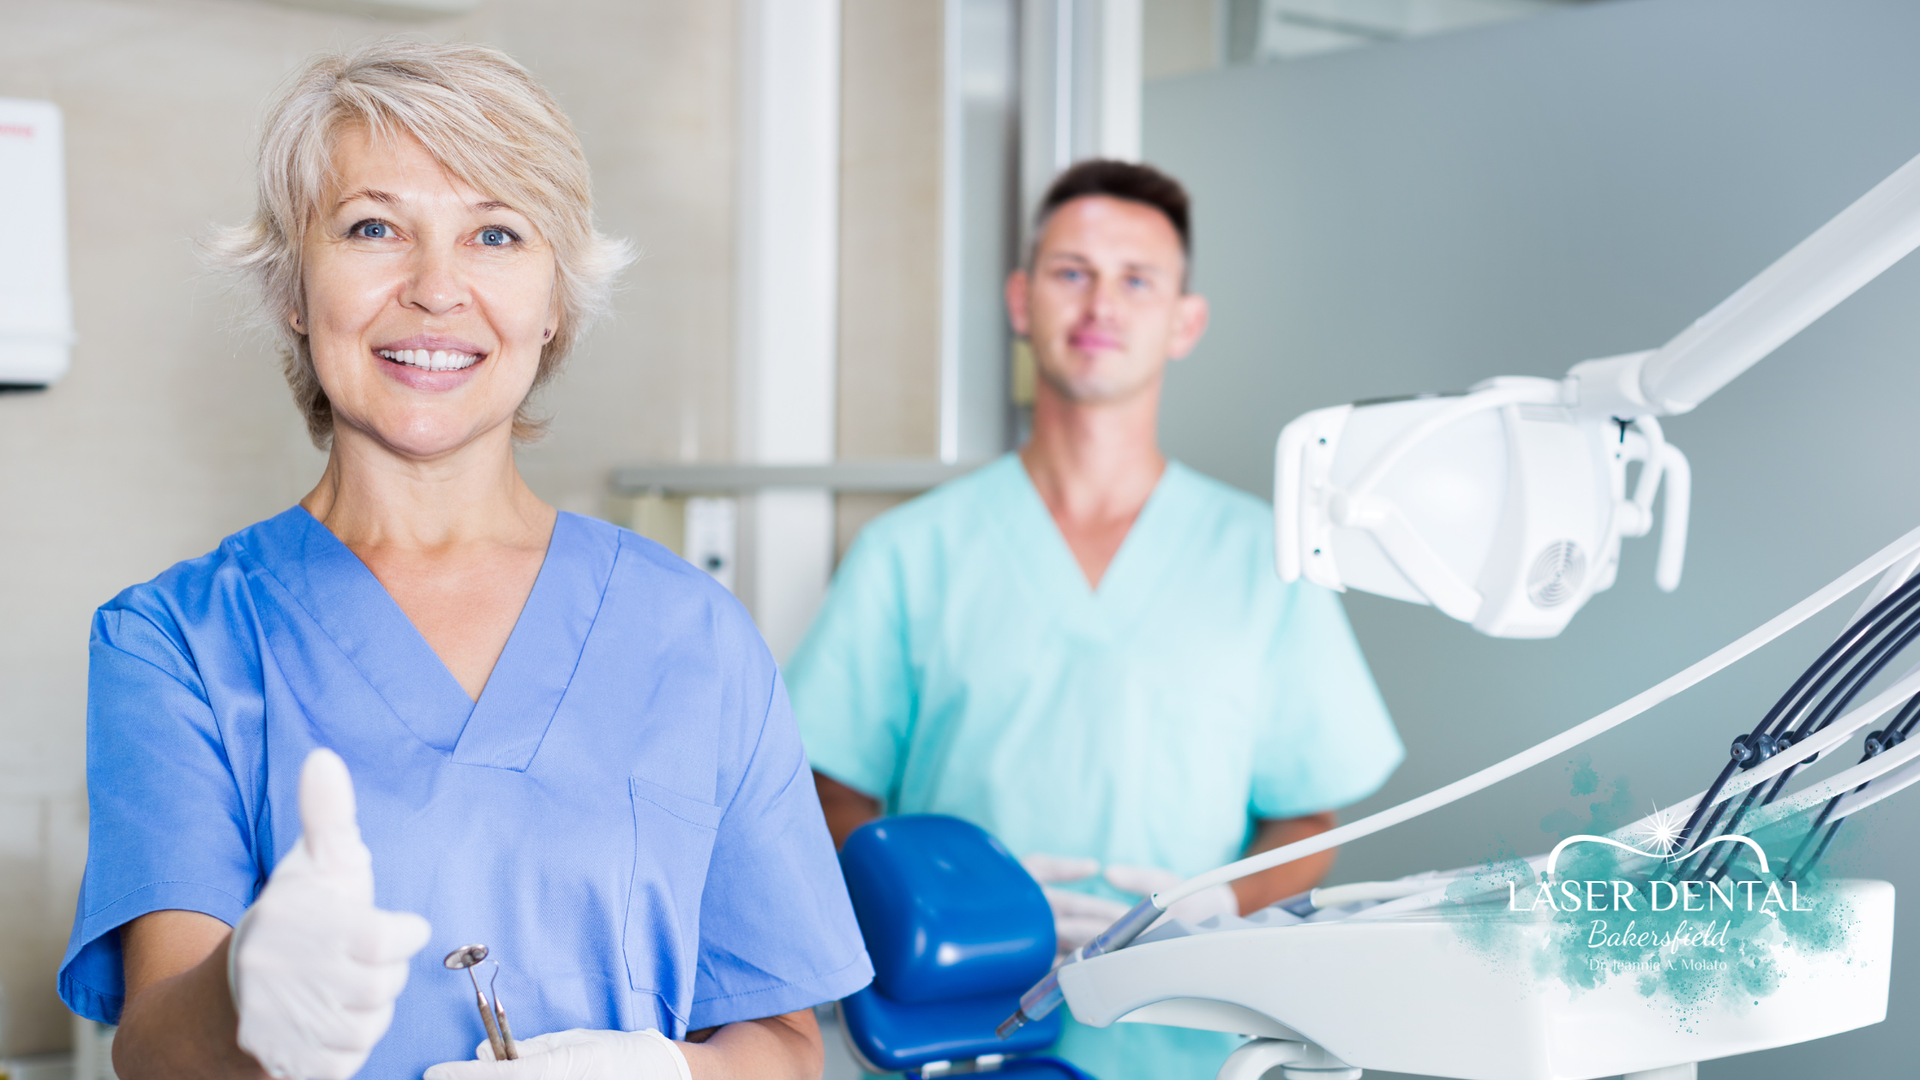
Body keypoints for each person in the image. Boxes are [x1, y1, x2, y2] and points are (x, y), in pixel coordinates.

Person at [56, 40, 870, 1080]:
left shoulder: (691, 633)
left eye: (495, 232)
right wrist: (244, 997)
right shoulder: (176, 642)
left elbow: (787, 1046)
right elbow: (155, 1049)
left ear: (555, 301)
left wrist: (669, 1073)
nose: (437, 288)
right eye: (372, 227)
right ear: (294, 291)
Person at [785, 160, 1404, 1079]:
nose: (1100, 304)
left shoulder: (1264, 557)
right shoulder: (911, 552)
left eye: (1136, 279)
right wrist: (949, 903)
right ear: (1022, 299)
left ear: (1185, 321)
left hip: (1194, 1049)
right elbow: (826, 794)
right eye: (1072, 272)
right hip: (971, 1037)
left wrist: (1223, 904)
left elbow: (1308, 813)